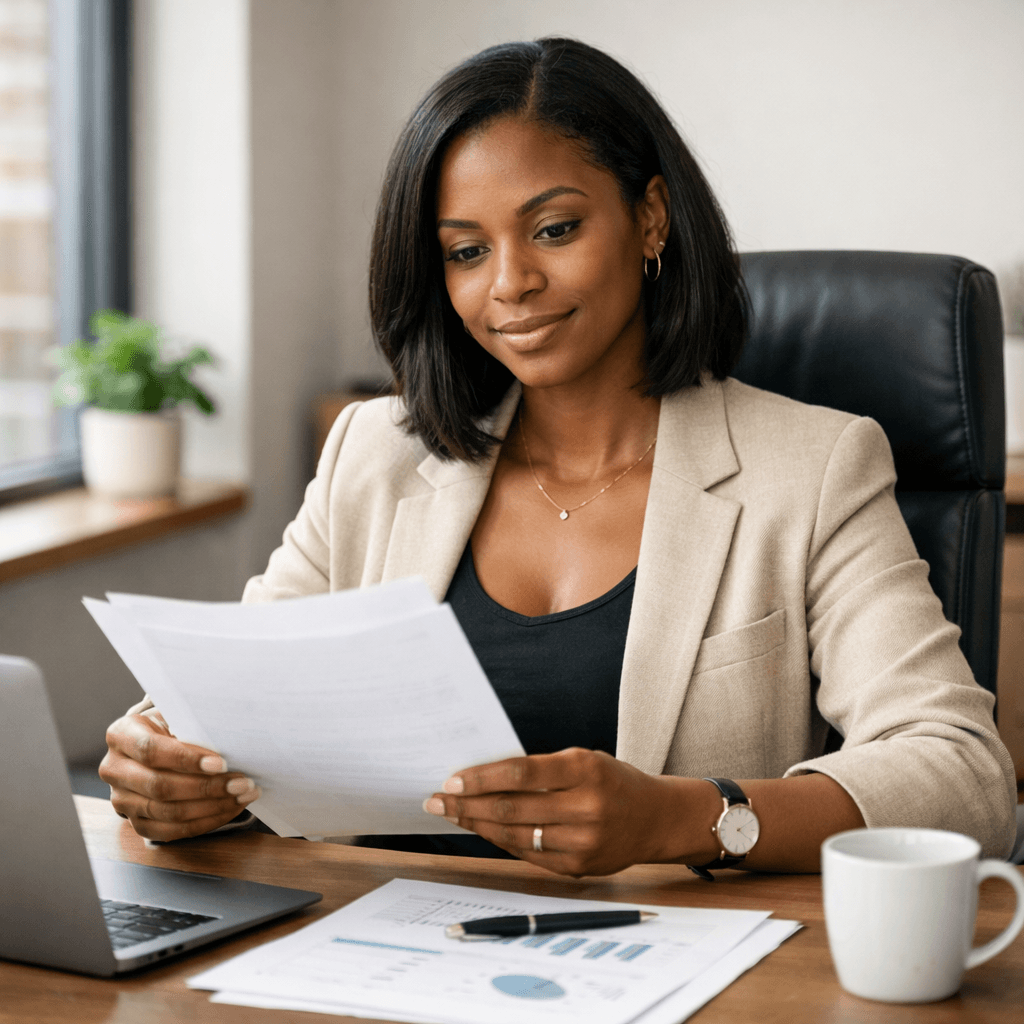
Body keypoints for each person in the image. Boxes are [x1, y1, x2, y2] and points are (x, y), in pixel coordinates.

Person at [100, 38, 1016, 876]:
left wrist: (686, 818)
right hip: (368, 956)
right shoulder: (374, 453)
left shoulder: (813, 468)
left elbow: (963, 777)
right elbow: (228, 708)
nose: (511, 284)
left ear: (650, 219)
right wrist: (169, 770)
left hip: (667, 971)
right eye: (466, 250)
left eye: (554, 229)